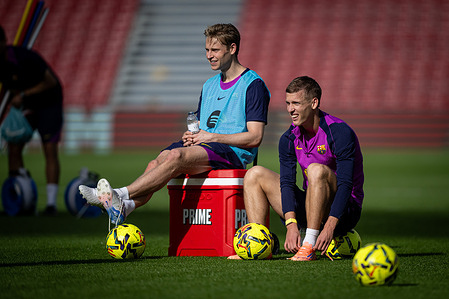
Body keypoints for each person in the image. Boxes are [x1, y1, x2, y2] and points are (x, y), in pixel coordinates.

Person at [79, 23, 270, 225]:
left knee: (176, 156)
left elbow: (255, 137)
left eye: (215, 50)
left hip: (231, 153)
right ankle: (125, 207)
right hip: (206, 146)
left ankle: (118, 194)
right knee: (156, 162)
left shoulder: (253, 85)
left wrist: (210, 136)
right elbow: (200, 122)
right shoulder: (209, 85)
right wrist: (191, 133)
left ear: (232, 49)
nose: (209, 55)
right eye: (206, 50)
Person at [229, 76, 364, 261]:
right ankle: (259, 245)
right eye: (288, 103)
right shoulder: (288, 139)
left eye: (296, 103)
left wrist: (330, 227)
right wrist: (291, 225)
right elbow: (287, 183)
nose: (290, 109)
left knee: (316, 169)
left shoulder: (339, 132)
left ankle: (308, 245)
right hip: (311, 206)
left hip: (344, 212)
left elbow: (346, 184)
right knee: (255, 174)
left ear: (314, 103)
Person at [0, 25, 63, 215]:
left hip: (49, 104)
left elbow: (51, 81)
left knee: (49, 149)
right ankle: (18, 196)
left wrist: (24, 94)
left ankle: (51, 204)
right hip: (26, 105)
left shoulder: (25, 57)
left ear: (3, 42)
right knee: (13, 143)